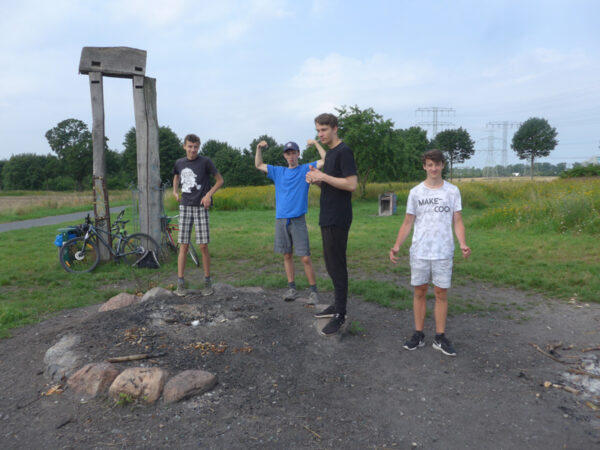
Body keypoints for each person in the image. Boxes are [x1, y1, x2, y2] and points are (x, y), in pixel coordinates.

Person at [389, 149, 471, 356]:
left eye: (437, 164)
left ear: (443, 165)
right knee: (420, 292)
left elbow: (458, 219)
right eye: (429, 164)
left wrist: (462, 242)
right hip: (420, 251)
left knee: (441, 293)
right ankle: (418, 334)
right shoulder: (416, 192)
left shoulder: (452, 191)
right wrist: (397, 245)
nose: (433, 168)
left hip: (443, 251)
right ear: (424, 166)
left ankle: (440, 337)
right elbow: (408, 221)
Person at [255, 139, 326, 303]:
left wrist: (315, 143)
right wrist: (259, 148)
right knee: (287, 255)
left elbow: (326, 160)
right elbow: (259, 164)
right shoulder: (278, 171)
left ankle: (313, 292)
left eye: (294, 153)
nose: (291, 156)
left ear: (298, 154)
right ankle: (292, 288)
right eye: (288, 153)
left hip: (298, 220)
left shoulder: (305, 169)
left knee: (305, 257)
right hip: (281, 219)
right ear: (284, 156)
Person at [306, 113, 357, 337]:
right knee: (330, 263)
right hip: (327, 214)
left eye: (324, 130)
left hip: (339, 216)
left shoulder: (344, 151)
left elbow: (351, 184)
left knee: (337, 264)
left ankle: (341, 314)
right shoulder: (332, 154)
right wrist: (317, 179)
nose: (320, 134)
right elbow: (332, 184)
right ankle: (337, 305)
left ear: (335, 128)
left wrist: (323, 177)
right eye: (318, 130)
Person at [172, 134, 224, 297]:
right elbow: (176, 176)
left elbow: (219, 180)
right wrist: (174, 191)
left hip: (201, 207)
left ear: (198, 147)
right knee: (184, 245)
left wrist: (208, 195)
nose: (193, 150)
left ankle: (207, 281)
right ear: (184, 146)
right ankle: (180, 282)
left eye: (195, 147)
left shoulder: (205, 162)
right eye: (190, 146)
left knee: (203, 245)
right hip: (185, 206)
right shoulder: (179, 163)